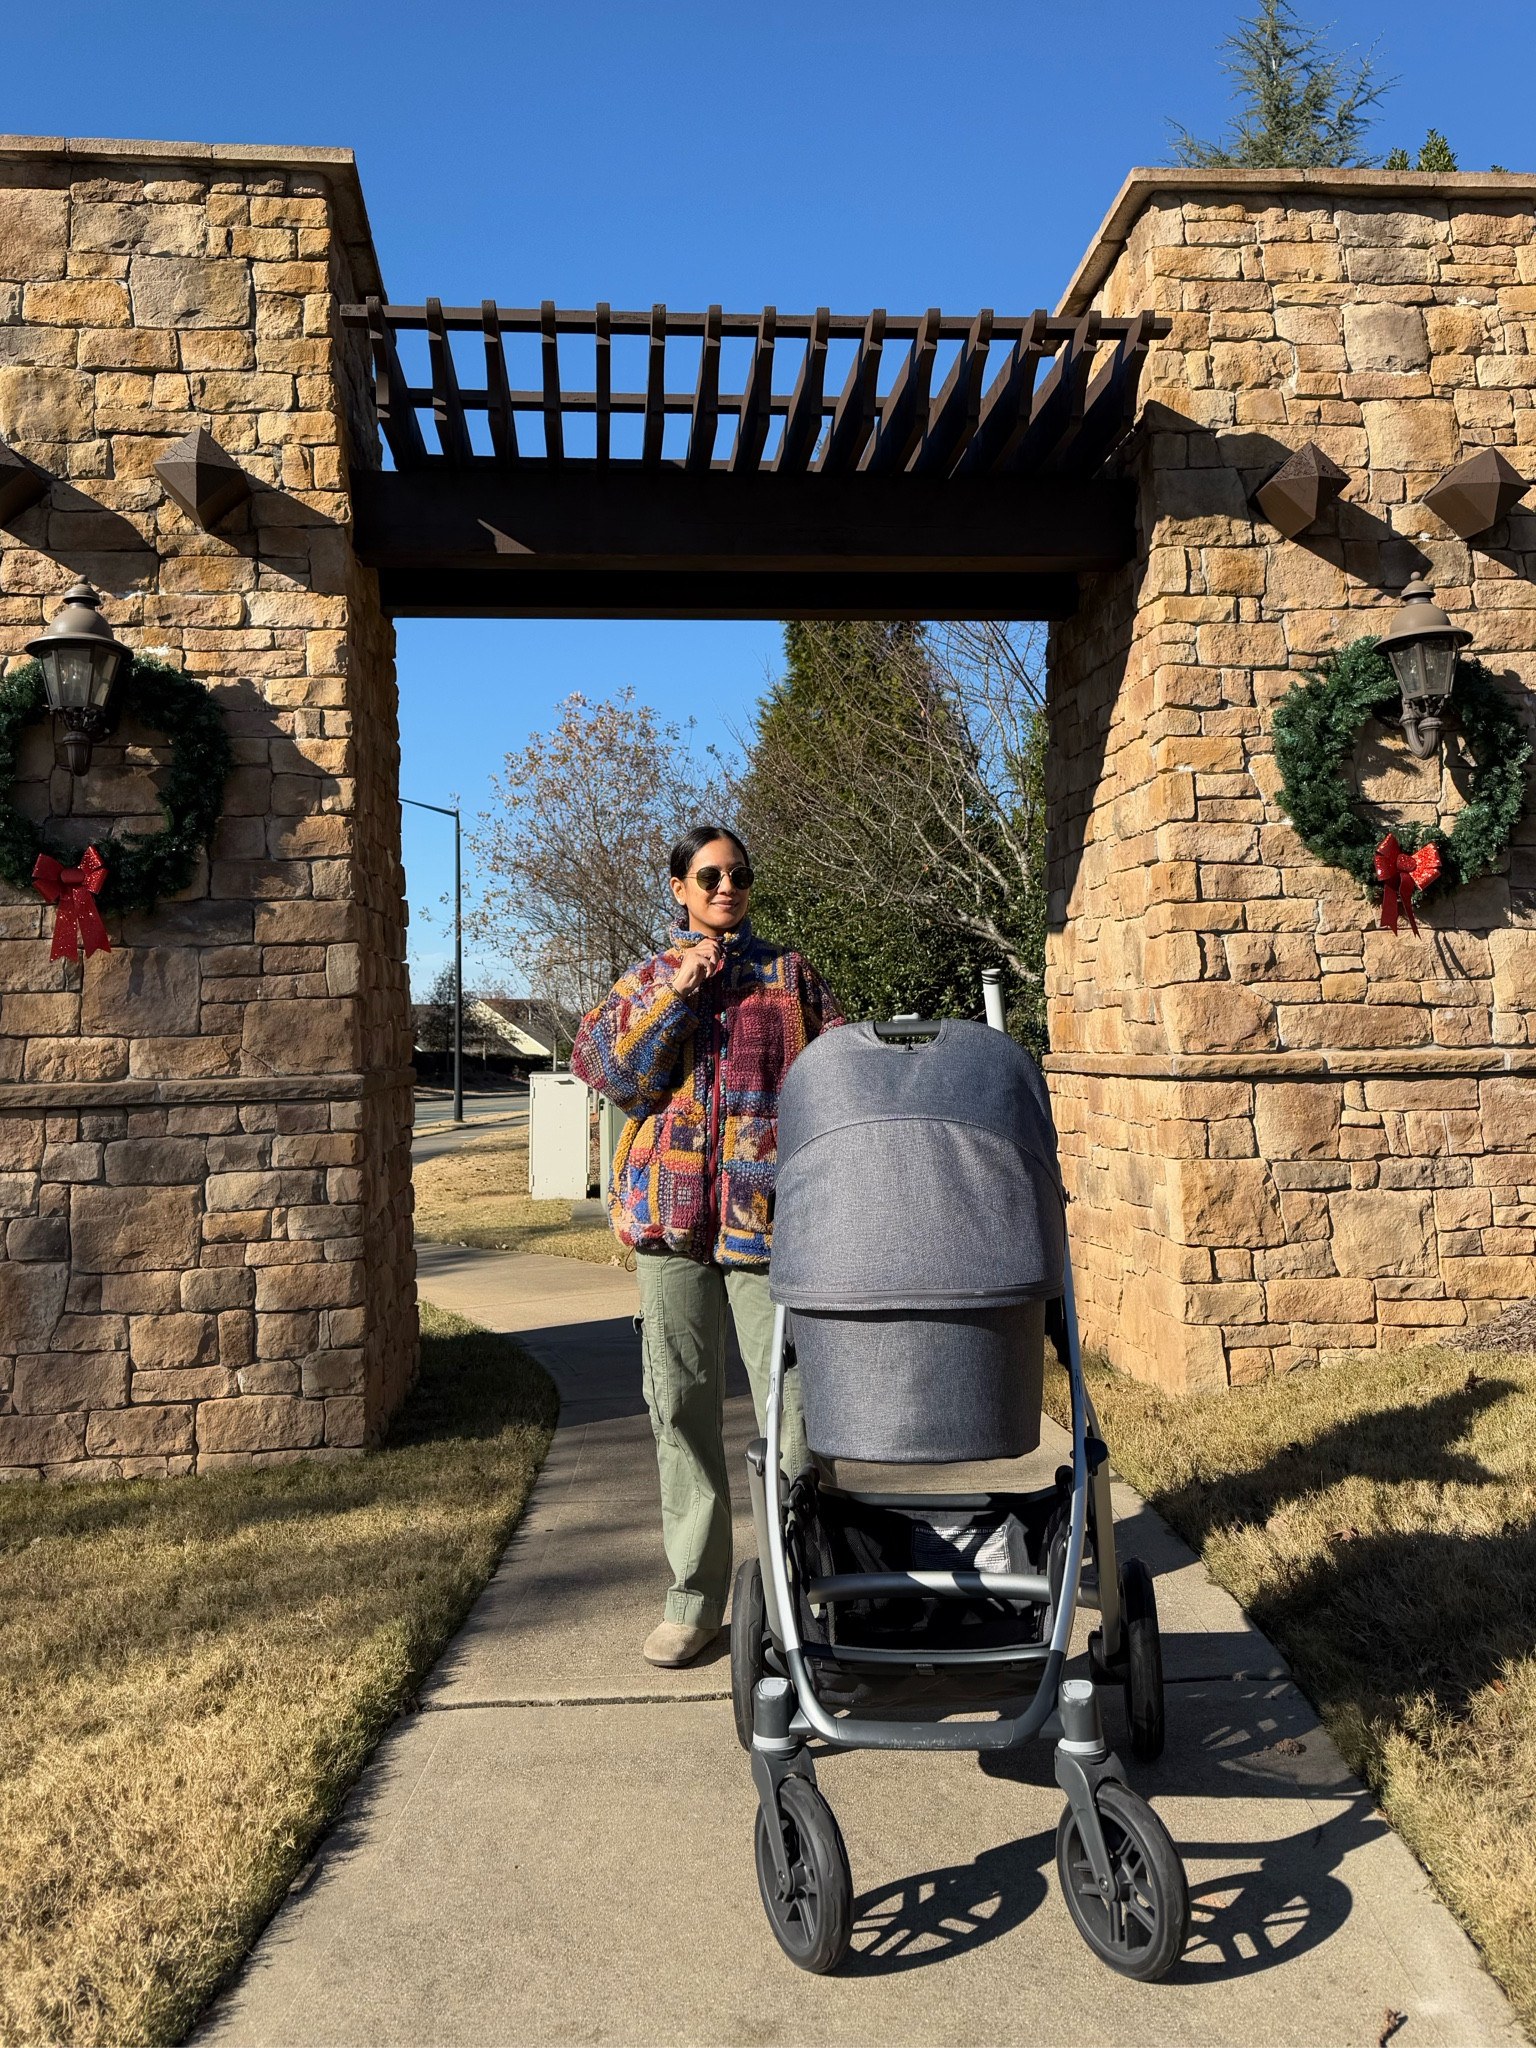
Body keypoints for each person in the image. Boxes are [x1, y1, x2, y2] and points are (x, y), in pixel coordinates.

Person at [571, 826, 844, 1668]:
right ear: (679, 888)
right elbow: (612, 1076)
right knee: (680, 1403)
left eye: (740, 875)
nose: (728, 887)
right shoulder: (647, 978)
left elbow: (840, 1076)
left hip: (771, 1220)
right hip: (670, 1218)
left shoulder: (790, 976)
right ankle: (694, 1598)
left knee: (793, 1407)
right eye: (710, 875)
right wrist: (678, 993)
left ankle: (811, 1592)